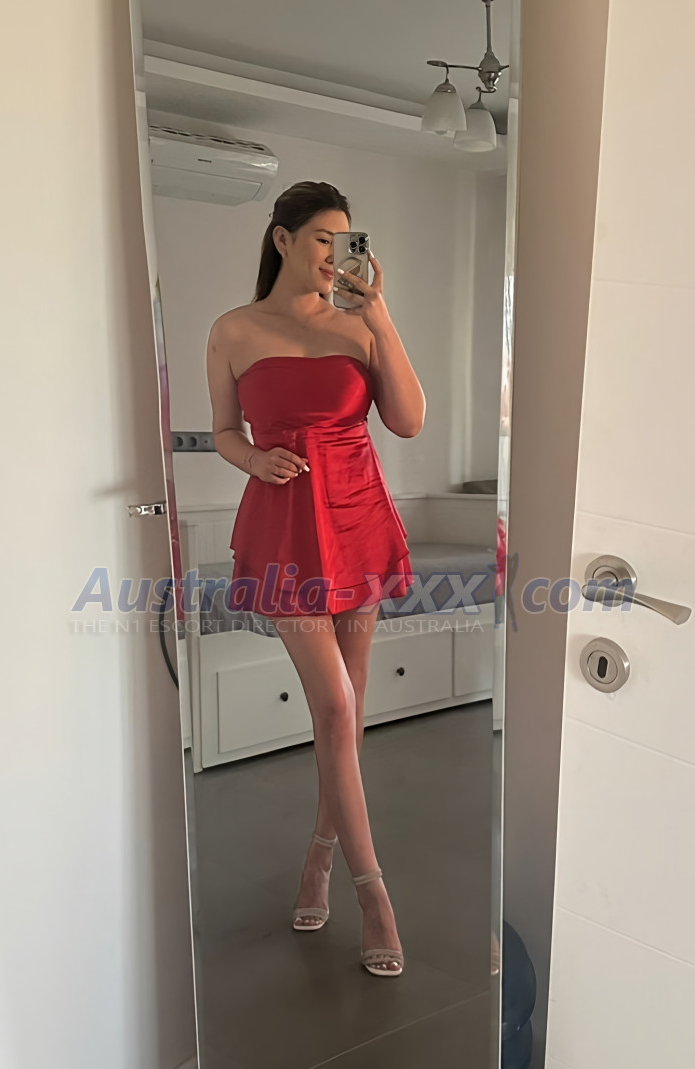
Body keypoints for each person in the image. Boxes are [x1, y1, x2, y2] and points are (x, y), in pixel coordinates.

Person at [206, 181, 425, 977]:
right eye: (323, 238)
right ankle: (374, 893)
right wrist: (253, 458)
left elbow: (408, 421)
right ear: (283, 240)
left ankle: (321, 855)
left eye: (346, 240)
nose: (337, 254)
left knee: (349, 709)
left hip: (359, 521)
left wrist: (381, 318)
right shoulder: (234, 329)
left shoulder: (360, 325)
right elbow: (223, 431)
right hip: (286, 529)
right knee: (333, 704)